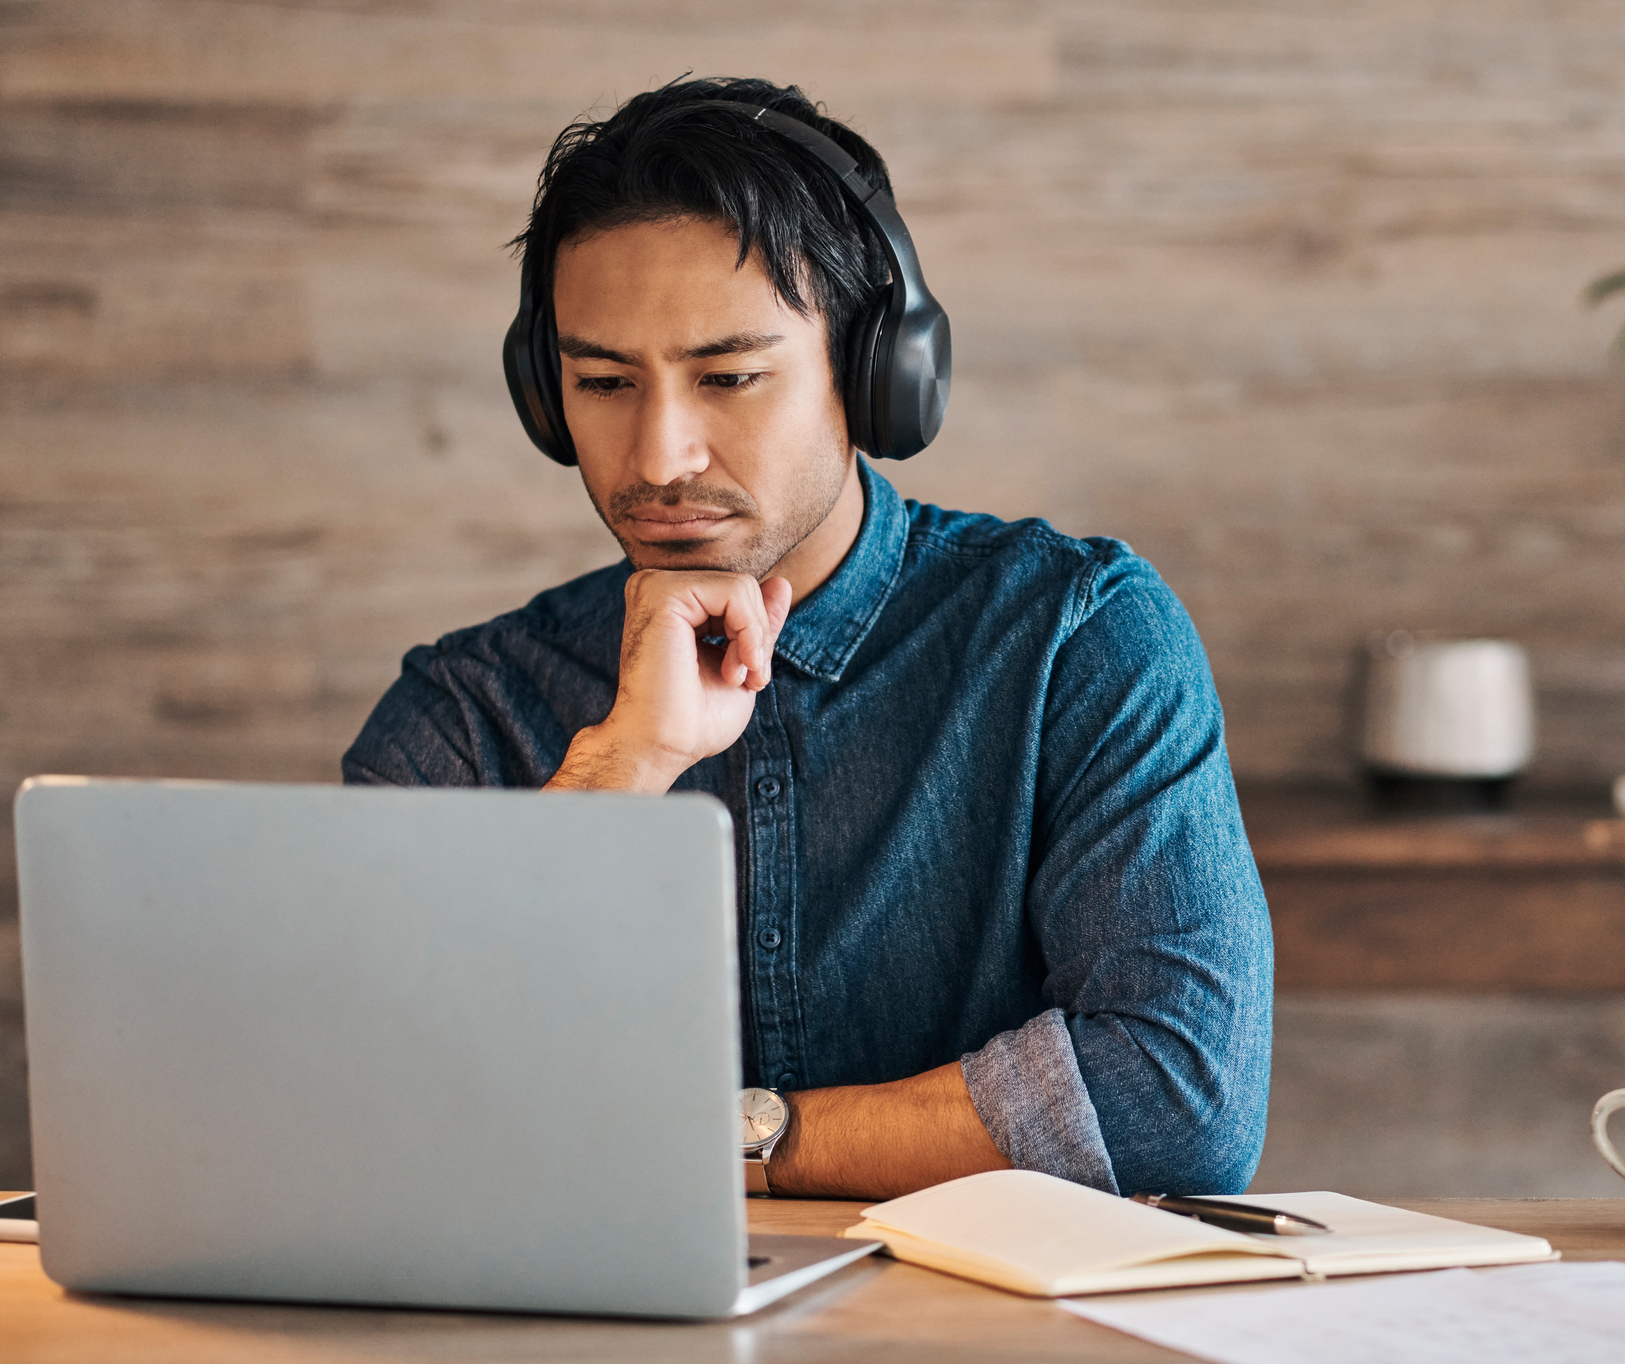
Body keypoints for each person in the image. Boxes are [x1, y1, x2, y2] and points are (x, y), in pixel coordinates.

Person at [342, 77, 1272, 1201]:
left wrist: (733, 1136)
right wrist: (619, 768)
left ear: (879, 370)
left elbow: (1179, 1098)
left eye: (728, 376)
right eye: (600, 381)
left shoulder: (1076, 637)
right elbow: (374, 1100)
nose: (659, 455)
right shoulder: (466, 708)